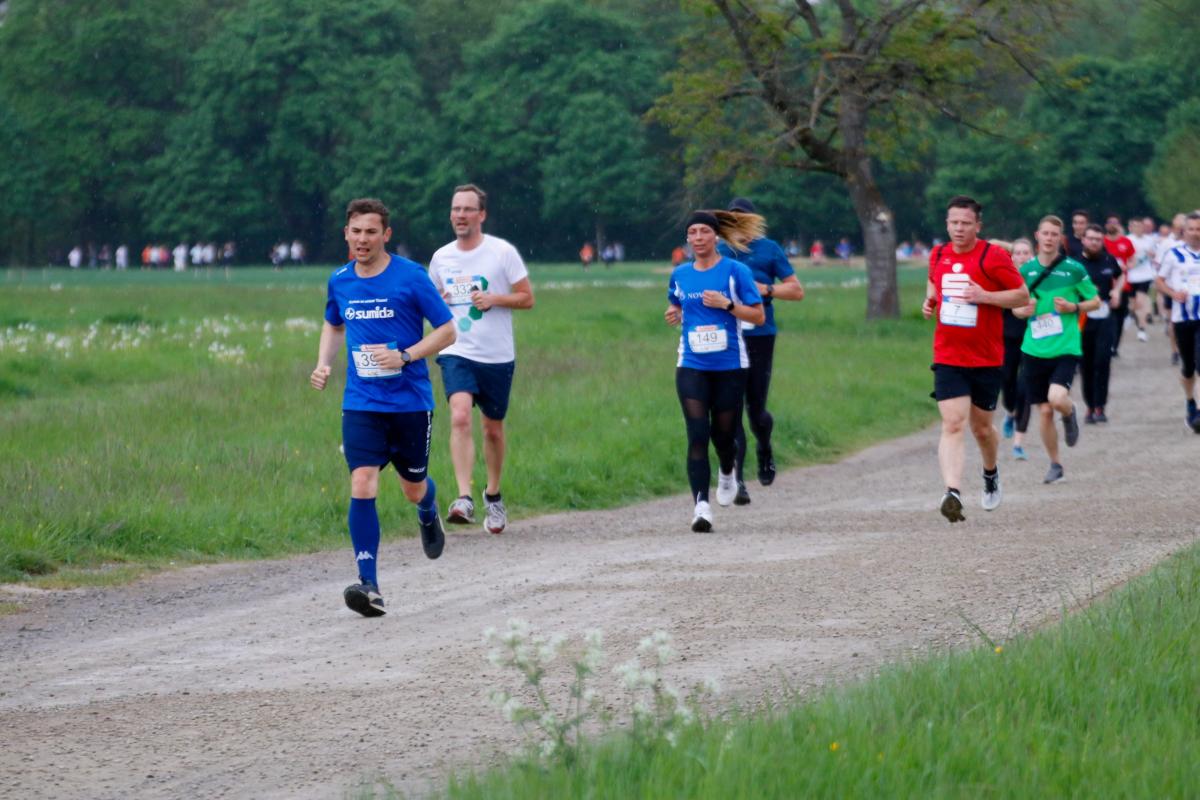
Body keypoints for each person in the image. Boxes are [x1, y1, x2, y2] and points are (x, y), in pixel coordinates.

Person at [310, 198, 457, 617]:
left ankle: (427, 509)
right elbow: (333, 324)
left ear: (385, 235)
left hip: (410, 402)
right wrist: (323, 363)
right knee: (362, 481)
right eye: (356, 231)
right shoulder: (340, 280)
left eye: (371, 232)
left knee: (413, 488)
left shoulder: (410, 277)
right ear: (346, 234)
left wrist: (406, 356)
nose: (362, 239)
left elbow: (448, 331)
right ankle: (368, 584)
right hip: (362, 402)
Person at [428, 184, 534, 535]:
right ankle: (463, 498)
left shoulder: (502, 253)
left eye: (468, 209)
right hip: (456, 349)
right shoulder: (441, 258)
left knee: (492, 429)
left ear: (481, 215)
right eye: (456, 209)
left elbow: (527, 297)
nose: (460, 215)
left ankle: (493, 493)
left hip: (496, 355)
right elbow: (429, 303)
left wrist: (494, 299)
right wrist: (438, 301)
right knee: (459, 416)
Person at [923, 195, 1028, 523]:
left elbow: (1021, 295)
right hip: (948, 355)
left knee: (982, 430)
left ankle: (990, 472)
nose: (959, 228)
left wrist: (985, 296)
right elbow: (934, 283)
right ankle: (952, 492)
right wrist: (930, 301)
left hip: (985, 357)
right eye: (954, 222)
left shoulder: (993, 256)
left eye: (965, 223)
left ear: (977, 226)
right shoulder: (938, 254)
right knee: (953, 423)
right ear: (947, 224)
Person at [665, 210, 765, 531]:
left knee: (723, 437)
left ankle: (727, 469)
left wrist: (727, 305)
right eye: (692, 232)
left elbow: (758, 316)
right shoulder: (680, 274)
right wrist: (674, 312)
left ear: (716, 236)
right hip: (691, 364)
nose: (698, 238)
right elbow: (677, 302)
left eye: (704, 231)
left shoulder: (736, 271)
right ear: (687, 238)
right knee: (697, 434)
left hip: (730, 365)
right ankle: (701, 507)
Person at [717, 197, 805, 503]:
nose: (737, 225)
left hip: (760, 336)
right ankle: (738, 480)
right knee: (731, 408)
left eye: (743, 219)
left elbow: (796, 290)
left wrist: (765, 289)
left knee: (755, 411)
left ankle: (764, 445)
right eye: (732, 220)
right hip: (727, 336)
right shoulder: (719, 251)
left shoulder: (769, 249)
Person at [1012, 216, 1100, 484]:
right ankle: (1055, 464)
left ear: (1060, 238)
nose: (1049, 238)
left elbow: (1095, 301)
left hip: (1065, 347)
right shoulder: (1025, 271)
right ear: (1037, 236)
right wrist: (1022, 310)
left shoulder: (1073, 269)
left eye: (1054, 234)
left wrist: (1074, 307)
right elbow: (1015, 308)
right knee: (1045, 411)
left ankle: (1070, 412)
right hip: (1034, 349)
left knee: (1057, 398)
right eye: (1045, 233)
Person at [1154, 212, 1200, 432]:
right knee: (1188, 368)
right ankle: (1190, 401)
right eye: (1191, 229)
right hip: (1182, 318)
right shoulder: (1174, 254)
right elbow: (1159, 280)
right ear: (1184, 231)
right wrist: (1173, 293)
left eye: (1198, 229)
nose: (1195, 233)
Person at [1076, 224, 1123, 423]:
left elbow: (1120, 275)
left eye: (1098, 239)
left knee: (1103, 361)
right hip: (1083, 317)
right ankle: (1089, 406)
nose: (1094, 243)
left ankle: (1100, 407)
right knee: (1086, 364)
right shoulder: (1074, 264)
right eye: (1091, 239)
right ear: (1083, 240)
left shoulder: (1109, 259)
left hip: (1105, 315)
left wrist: (1117, 291)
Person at [1000, 238, 1034, 459]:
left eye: (1026, 253)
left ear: (1032, 256)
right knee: (1007, 382)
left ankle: (1018, 443)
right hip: (1008, 338)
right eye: (1018, 253)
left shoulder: (1038, 279)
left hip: (1032, 340)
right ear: (1011, 257)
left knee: (1026, 388)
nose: (1022, 257)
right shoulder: (1004, 279)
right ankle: (1010, 412)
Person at [1103, 214, 1135, 357]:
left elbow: (1132, 259)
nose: (1112, 225)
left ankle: (1115, 346)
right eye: (1110, 222)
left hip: (1123, 285)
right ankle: (1107, 343)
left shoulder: (1126, 242)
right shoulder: (1102, 241)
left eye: (1115, 222)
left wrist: (1127, 267)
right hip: (1105, 283)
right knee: (1107, 316)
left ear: (1119, 225)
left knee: (1119, 317)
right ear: (1106, 225)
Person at [1126, 217, 1157, 341]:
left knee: (1141, 302)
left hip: (1145, 275)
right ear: (1131, 228)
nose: (1138, 228)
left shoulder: (1150, 240)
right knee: (1133, 304)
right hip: (1130, 276)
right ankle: (1131, 314)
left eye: (1140, 226)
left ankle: (1142, 329)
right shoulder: (1127, 240)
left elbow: (1155, 255)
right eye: (1135, 226)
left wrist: (1152, 255)